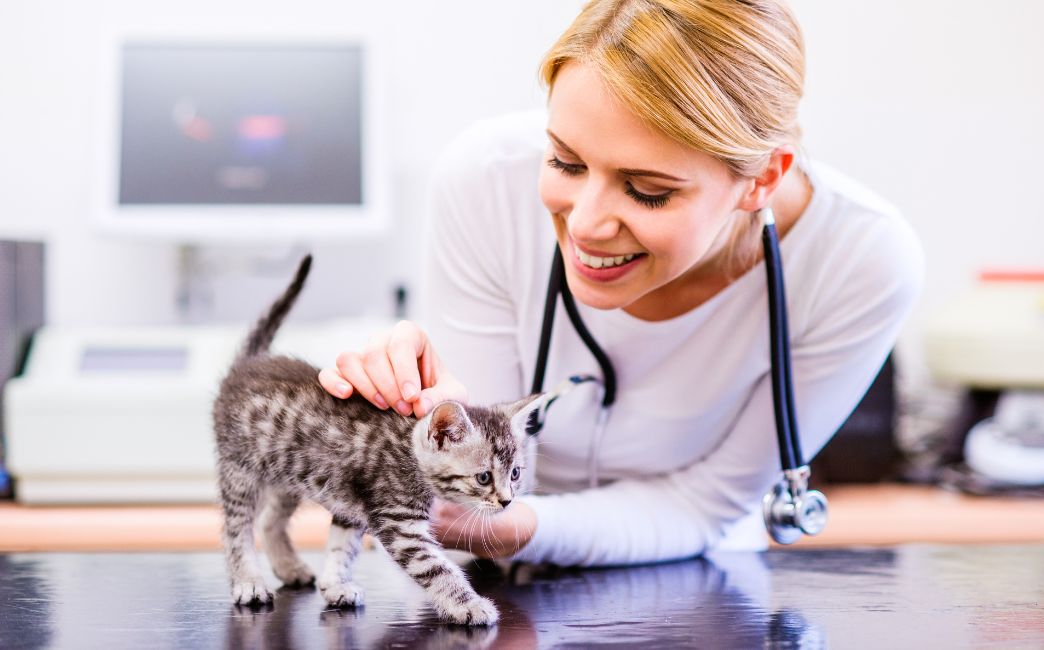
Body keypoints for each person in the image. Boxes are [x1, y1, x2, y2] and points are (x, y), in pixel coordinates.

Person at [319, 0, 923, 566]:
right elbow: (466, 492)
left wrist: (521, 529)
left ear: (762, 179)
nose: (583, 224)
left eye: (648, 191)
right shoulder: (484, 180)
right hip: (500, 594)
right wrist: (412, 421)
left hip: (698, 595)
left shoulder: (861, 259)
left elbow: (705, 504)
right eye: (564, 162)